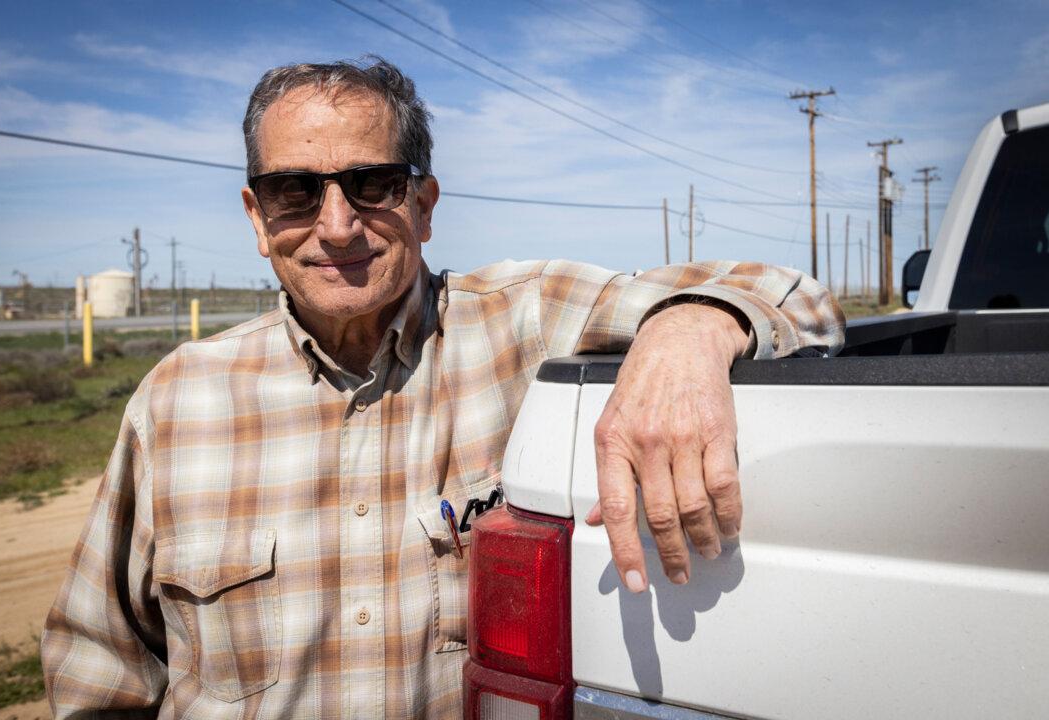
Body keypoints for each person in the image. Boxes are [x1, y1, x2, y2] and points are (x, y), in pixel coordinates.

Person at [42, 58, 844, 718]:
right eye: (295, 192)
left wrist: (686, 334)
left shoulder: (522, 322)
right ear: (257, 217)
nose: (337, 225)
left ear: (423, 207)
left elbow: (796, 296)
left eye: (373, 184)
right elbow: (98, 672)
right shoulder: (177, 400)